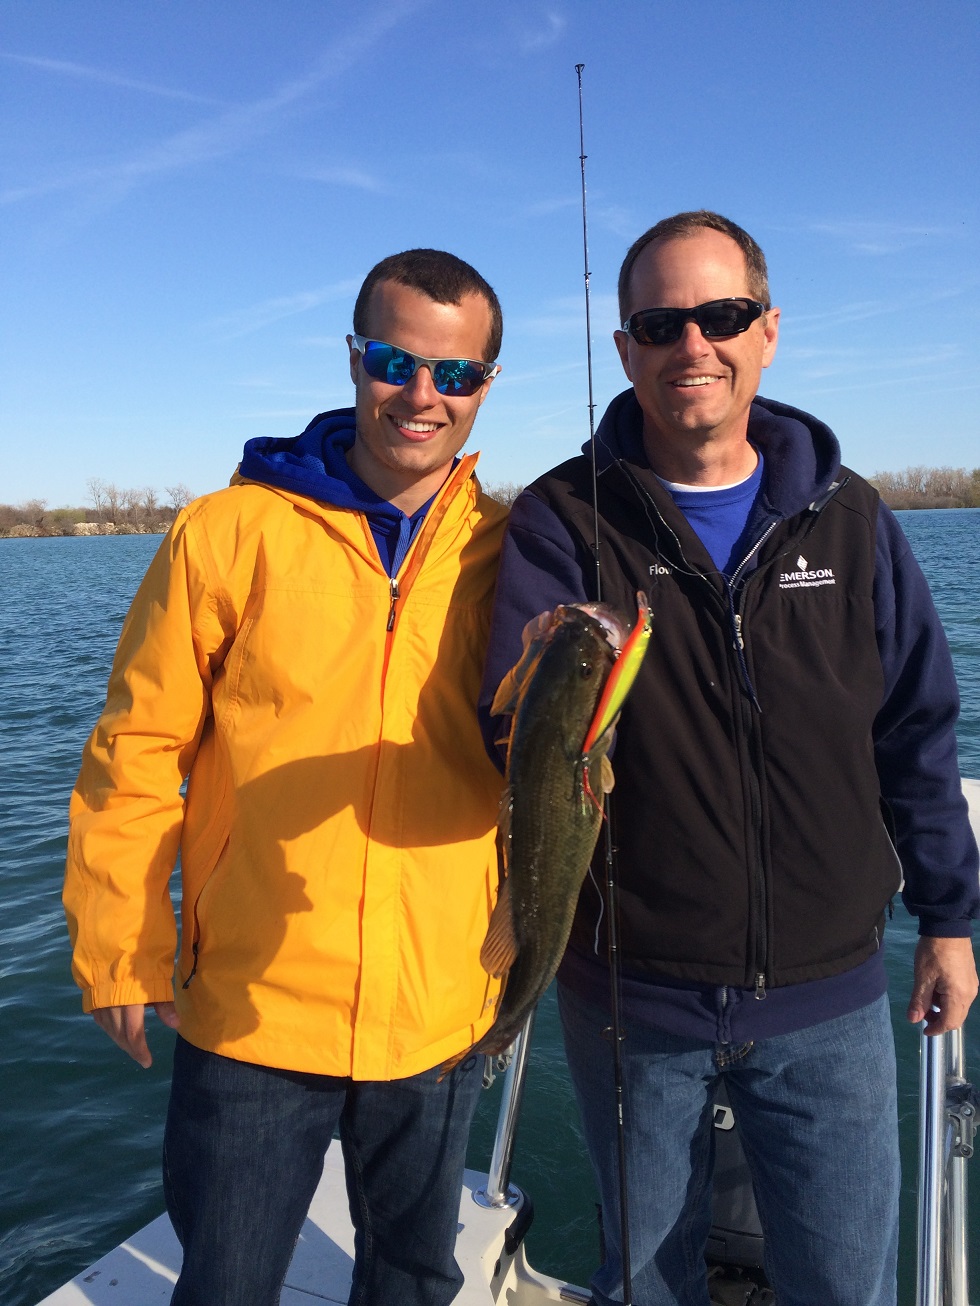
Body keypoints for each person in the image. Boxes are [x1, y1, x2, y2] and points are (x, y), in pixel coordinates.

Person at [480, 211, 979, 1306]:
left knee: (844, 1284)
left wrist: (946, 917)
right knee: (643, 1283)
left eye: (720, 316)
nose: (690, 345)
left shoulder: (850, 521)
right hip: (629, 998)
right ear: (624, 349)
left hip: (829, 997)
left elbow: (913, 730)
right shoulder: (562, 519)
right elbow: (501, 733)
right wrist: (526, 685)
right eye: (659, 323)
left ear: (766, 332)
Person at [64, 248, 508, 1306]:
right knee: (224, 1280)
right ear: (354, 357)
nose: (421, 396)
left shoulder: (519, 548)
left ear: (485, 385)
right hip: (253, 1002)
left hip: (439, 1003)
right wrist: (122, 943)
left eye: (454, 375)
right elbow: (138, 746)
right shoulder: (225, 531)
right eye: (396, 361)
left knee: (412, 1277)